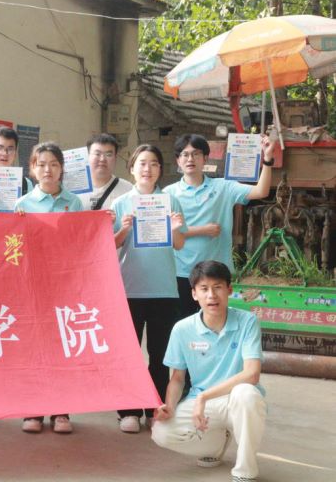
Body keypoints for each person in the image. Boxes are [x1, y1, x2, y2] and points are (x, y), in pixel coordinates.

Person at [152, 260, 266, 482]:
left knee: (247, 394)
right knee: (161, 433)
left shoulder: (247, 322)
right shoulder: (182, 329)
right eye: (204, 289)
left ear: (229, 290)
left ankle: (245, 471)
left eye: (218, 287)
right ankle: (215, 446)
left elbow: (252, 374)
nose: (211, 295)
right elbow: (177, 378)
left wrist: (203, 397)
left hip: (234, 399)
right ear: (194, 294)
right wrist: (170, 407)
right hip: (202, 402)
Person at [112, 144, 186, 434]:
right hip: (130, 289)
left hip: (163, 289)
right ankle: (128, 411)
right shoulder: (121, 203)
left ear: (160, 169)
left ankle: (154, 407)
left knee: (159, 355)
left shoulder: (170, 201)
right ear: (132, 168)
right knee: (129, 355)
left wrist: (176, 227)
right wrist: (124, 229)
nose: (147, 169)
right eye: (142, 163)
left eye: (154, 163)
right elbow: (111, 245)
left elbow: (179, 244)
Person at [164, 133, 274, 317]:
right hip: (182, 273)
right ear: (178, 160)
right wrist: (202, 230)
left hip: (217, 272)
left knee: (216, 324)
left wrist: (268, 159)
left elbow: (261, 191)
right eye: (185, 154)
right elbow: (163, 233)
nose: (190, 159)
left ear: (205, 158)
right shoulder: (168, 193)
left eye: (196, 154)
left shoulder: (224, 186)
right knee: (185, 325)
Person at [14, 141, 82, 434]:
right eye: (41, 164)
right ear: (32, 169)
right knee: (33, 348)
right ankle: (33, 410)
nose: (47, 170)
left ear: (61, 169)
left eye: (54, 164)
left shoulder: (74, 203)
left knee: (61, 348)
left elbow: (81, 242)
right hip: (32, 286)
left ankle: (61, 411)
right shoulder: (22, 204)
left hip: (63, 285)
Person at [76, 133, 133, 211]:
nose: (102, 159)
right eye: (97, 154)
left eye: (108, 154)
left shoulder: (128, 190)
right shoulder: (73, 190)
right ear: (87, 156)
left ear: (115, 158)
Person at [0, 126, 33, 204]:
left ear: (15, 153)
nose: (5, 153)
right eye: (0, 148)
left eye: (10, 149)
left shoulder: (26, 184)